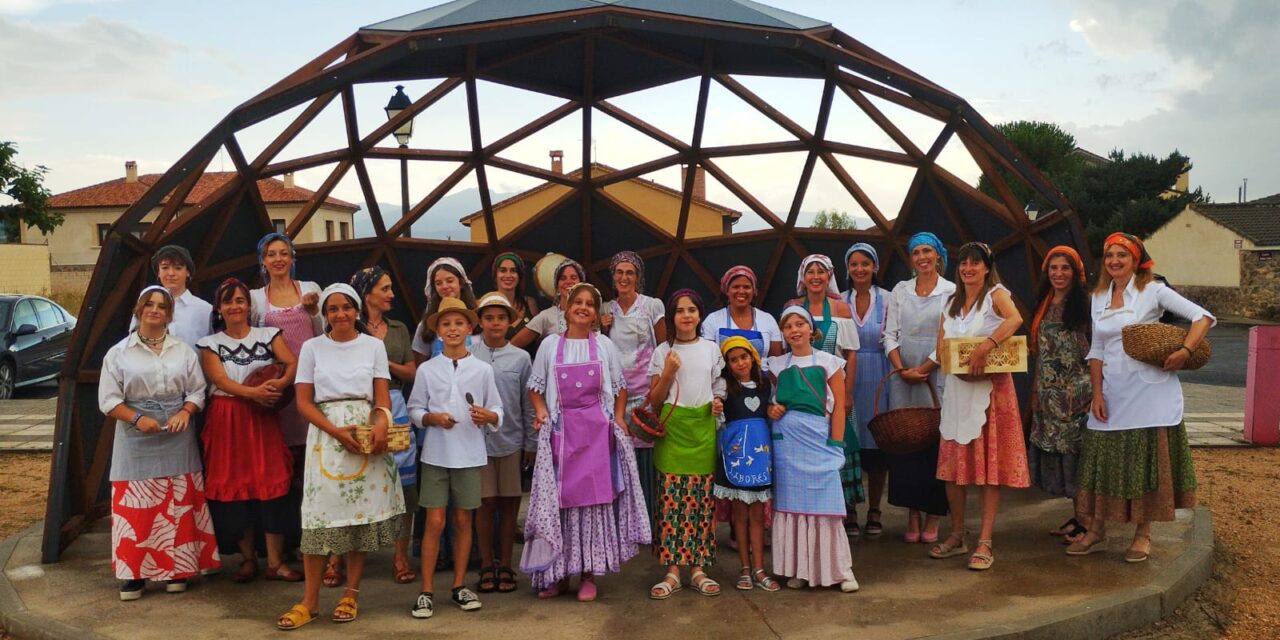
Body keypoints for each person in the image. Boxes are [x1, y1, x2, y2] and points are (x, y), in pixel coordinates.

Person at [1066, 233, 1211, 563]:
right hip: (1112, 393)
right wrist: (1097, 394)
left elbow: (1203, 317)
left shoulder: (1153, 291)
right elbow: (1097, 348)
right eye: (1109, 255)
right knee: (1101, 462)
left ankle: (1143, 534)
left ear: (1136, 260)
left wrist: (1185, 350)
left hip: (1149, 392)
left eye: (1122, 255)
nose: (1114, 261)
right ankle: (1097, 531)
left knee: (1147, 463)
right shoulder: (1098, 295)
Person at [276, 284, 404, 630]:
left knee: (357, 518)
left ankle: (351, 593)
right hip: (326, 436)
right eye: (332, 309)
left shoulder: (373, 346)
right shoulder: (312, 348)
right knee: (319, 518)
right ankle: (310, 602)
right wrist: (335, 433)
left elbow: (382, 397)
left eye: (346, 307)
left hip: (364, 434)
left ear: (357, 310)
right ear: (324, 314)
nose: (340, 314)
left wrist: (379, 423)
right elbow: (303, 402)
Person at [523, 283, 649, 601]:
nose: (583, 307)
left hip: (596, 435)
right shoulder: (550, 345)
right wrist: (540, 413)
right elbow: (535, 388)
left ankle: (588, 575)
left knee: (593, 504)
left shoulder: (604, 346)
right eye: (577, 302)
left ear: (596, 312)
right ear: (565, 308)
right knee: (559, 505)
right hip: (561, 434)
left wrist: (618, 418)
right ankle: (556, 574)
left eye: (589, 304)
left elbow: (620, 388)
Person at [99, 286, 218, 601]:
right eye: (148, 304)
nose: (155, 310)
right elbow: (108, 400)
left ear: (169, 313)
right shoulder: (119, 353)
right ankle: (133, 575)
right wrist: (137, 419)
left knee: (177, 503)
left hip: (177, 433)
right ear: (139, 310)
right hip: (134, 433)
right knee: (136, 504)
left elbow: (196, 390)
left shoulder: (182, 350)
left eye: (162, 306)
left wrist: (185, 411)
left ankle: (178, 569)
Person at [929, 242, 1028, 571]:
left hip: (990, 390)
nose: (968, 268)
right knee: (954, 470)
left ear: (987, 267)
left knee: (989, 470)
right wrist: (927, 368)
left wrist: (986, 346)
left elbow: (1014, 320)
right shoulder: (950, 302)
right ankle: (957, 534)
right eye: (963, 263)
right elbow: (941, 345)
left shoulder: (995, 294)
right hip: (958, 390)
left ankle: (985, 541)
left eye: (975, 263)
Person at [196, 278, 299, 584]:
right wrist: (254, 393)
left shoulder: (268, 335)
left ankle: (275, 561)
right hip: (228, 417)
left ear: (248, 305)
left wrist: (279, 385)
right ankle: (246, 559)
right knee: (235, 483)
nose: (235, 307)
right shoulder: (210, 344)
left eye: (240, 300)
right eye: (228, 302)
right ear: (219, 308)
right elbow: (221, 380)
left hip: (262, 417)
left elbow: (292, 362)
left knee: (271, 482)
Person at [407, 297, 503, 620]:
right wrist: (431, 419)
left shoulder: (482, 369)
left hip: (469, 453)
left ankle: (459, 585)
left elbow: (498, 410)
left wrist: (488, 416)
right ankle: (426, 589)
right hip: (435, 454)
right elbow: (414, 409)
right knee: (434, 522)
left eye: (458, 323)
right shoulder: (427, 370)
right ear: (437, 331)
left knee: (464, 521)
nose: (452, 329)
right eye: (445, 324)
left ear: (469, 327)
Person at [765, 305, 858, 593]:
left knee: (826, 508)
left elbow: (840, 408)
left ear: (810, 329)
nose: (794, 330)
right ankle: (799, 570)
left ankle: (841, 572)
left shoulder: (830, 362)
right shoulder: (776, 365)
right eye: (788, 326)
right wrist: (772, 409)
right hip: (787, 446)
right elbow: (772, 401)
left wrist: (835, 443)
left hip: (819, 442)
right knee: (794, 509)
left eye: (799, 324)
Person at [647, 289, 726, 600]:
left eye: (692, 309)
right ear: (672, 316)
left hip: (702, 431)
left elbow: (718, 386)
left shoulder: (711, 349)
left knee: (701, 502)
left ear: (699, 314)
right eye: (680, 310)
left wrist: (718, 401)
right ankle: (672, 571)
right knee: (670, 503)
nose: (686, 315)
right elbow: (654, 402)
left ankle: (698, 569)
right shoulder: (662, 352)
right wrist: (667, 372)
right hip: (672, 432)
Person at [249, 232, 322, 560]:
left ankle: (313, 537)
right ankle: (284, 540)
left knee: (310, 464)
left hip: (309, 386)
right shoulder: (254, 299)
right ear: (263, 261)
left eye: (284, 253)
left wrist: (314, 311)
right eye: (270, 254)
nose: (278, 259)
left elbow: (324, 333)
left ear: (293, 258)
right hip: (275, 391)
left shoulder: (310, 289)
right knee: (279, 466)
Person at [350, 266, 420, 584]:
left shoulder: (398, 328)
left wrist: (381, 359)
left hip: (395, 405)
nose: (392, 294)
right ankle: (341, 558)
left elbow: (410, 371)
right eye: (385, 288)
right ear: (367, 294)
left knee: (403, 485)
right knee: (352, 482)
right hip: (358, 408)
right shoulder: (348, 324)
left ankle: (400, 556)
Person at [883, 231, 954, 543]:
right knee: (907, 442)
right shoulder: (900, 290)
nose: (922, 257)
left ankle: (934, 514)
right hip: (902, 377)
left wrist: (925, 368)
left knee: (936, 444)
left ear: (938, 254)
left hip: (937, 377)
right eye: (916, 252)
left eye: (928, 250)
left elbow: (951, 335)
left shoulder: (952, 291)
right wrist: (902, 369)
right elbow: (889, 333)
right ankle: (912, 511)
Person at [786, 254, 864, 536]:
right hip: (805, 390)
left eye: (821, 271)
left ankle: (848, 510)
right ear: (802, 277)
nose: (816, 276)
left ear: (829, 275)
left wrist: (848, 392)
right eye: (810, 272)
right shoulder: (792, 307)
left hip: (836, 388)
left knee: (841, 444)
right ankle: (813, 507)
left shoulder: (841, 309)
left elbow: (851, 353)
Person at [1026, 246, 1093, 544]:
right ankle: (1079, 518)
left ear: (1075, 271)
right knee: (1062, 460)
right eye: (1053, 268)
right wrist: (1036, 392)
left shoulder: (1086, 305)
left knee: (1078, 459)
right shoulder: (1044, 303)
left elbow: (1096, 350)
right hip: (1049, 394)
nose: (1058, 273)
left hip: (1076, 394)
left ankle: (1089, 524)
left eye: (1064, 268)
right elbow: (1040, 353)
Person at [470, 292, 535, 595]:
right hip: (476, 444)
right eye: (489, 317)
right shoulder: (468, 353)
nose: (495, 323)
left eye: (501, 317)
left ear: (510, 322)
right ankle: (486, 565)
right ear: (479, 321)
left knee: (509, 503)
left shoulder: (521, 358)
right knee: (484, 505)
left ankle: (506, 564)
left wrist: (531, 443)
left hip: (511, 441)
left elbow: (528, 404)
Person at [600, 250, 666, 518]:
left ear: (638, 277)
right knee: (621, 459)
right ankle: (625, 520)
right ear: (613, 276)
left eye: (630, 272)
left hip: (647, 396)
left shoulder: (652, 306)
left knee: (647, 461)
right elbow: (600, 350)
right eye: (619, 272)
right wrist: (601, 327)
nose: (624, 277)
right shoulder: (606, 309)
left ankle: (649, 519)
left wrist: (658, 389)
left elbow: (662, 348)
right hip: (617, 398)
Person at [713, 336, 778, 592]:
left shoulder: (764, 386)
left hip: (760, 455)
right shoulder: (725, 388)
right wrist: (716, 407)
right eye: (733, 359)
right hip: (736, 455)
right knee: (739, 513)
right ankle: (745, 568)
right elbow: (718, 415)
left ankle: (760, 568)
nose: (740, 363)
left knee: (757, 514)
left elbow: (772, 410)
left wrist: (774, 410)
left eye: (744, 357)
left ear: (753, 356)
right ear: (727, 364)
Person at [841, 243, 892, 537]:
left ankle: (875, 509)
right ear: (847, 269)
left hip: (879, 376)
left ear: (874, 267)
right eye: (854, 264)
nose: (860, 269)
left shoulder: (886, 299)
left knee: (876, 448)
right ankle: (850, 511)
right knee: (850, 445)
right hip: (848, 378)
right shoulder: (839, 301)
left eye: (865, 263)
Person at [131, 245, 212, 347]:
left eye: (178, 268)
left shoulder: (205, 310)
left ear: (188, 272)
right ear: (158, 273)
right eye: (165, 268)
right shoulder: (145, 305)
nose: (171, 273)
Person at [701, 265, 782, 361]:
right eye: (735, 287)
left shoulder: (768, 319)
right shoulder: (713, 320)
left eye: (746, 287)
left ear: (754, 291)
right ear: (727, 291)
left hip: (761, 376)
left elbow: (777, 361)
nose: (741, 291)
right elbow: (708, 359)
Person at [413, 257, 479, 362]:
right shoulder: (426, 324)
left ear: (461, 283)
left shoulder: (479, 319)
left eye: (449, 281)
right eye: (438, 283)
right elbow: (420, 362)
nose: (444, 286)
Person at [512, 257, 585, 349]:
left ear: (581, 284)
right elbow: (513, 345)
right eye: (563, 278)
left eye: (573, 277)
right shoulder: (547, 316)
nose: (568, 281)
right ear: (557, 286)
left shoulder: (590, 314)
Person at [491, 252, 540, 340]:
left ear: (519, 277)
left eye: (513, 271)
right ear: (495, 276)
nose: (508, 275)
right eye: (503, 270)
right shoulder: (484, 303)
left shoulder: (529, 303)